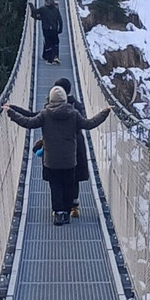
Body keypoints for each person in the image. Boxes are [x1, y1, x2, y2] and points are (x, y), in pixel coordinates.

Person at [4, 85, 110, 225]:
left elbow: (28, 122)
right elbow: (89, 124)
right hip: (69, 160)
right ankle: (67, 211)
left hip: (51, 160)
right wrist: (105, 112)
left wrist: (11, 113)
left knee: (55, 186)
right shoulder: (74, 114)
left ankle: (58, 214)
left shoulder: (44, 114)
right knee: (68, 185)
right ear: (65, 99)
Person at [10, 77, 88, 218]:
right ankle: (73, 206)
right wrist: (105, 113)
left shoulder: (49, 109)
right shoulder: (76, 107)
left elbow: (32, 118)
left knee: (56, 180)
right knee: (73, 176)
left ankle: (59, 210)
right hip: (76, 145)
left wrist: (12, 110)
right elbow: (85, 123)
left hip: (54, 148)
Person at [29, 0, 63, 64]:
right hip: (54, 29)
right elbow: (60, 19)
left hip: (46, 29)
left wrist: (31, 6)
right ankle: (55, 57)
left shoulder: (43, 9)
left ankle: (50, 58)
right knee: (55, 43)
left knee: (48, 43)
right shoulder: (55, 9)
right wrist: (60, 29)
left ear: (45, 1)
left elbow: (34, 13)